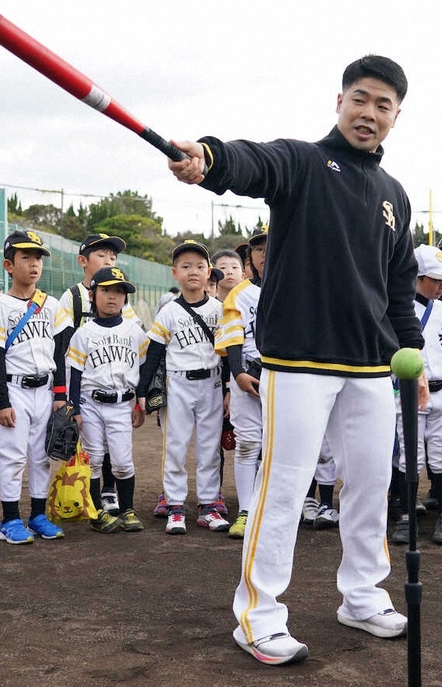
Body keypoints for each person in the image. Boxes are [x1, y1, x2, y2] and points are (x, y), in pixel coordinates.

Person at [167, 55, 423, 665]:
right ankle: (257, 616)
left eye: (383, 105)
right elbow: (252, 161)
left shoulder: (394, 195)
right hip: (300, 361)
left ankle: (362, 597)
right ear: (339, 101)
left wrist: (410, 354)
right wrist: (208, 156)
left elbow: (399, 285)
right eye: (361, 99)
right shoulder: (304, 163)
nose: (370, 113)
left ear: (395, 117)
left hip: (370, 366)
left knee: (369, 486)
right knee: (283, 488)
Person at [0, 230, 72, 544]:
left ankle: (37, 515)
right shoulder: (0, 308)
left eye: (37, 258)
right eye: (25, 258)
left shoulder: (52, 305)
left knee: (41, 456)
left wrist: (60, 395)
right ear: (9, 265)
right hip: (14, 391)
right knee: (13, 457)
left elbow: (60, 353)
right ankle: (9, 519)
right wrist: (3, 403)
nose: (34, 264)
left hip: (45, 391)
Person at [136, 241, 226, 535]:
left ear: (209, 272)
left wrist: (228, 389)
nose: (193, 272)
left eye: (200, 266)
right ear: (175, 273)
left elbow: (229, 352)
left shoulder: (220, 310)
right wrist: (142, 390)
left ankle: (209, 506)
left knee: (210, 448)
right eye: (186, 266)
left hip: (211, 382)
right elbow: (154, 355)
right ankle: (175, 506)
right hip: (178, 383)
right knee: (175, 446)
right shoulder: (169, 313)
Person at [390, 245, 442, 546]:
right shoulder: (399, 309)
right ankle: (406, 516)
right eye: (435, 279)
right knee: (411, 456)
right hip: (407, 392)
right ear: (416, 277)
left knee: (441, 455)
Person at [56, 233, 134, 516]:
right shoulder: (73, 296)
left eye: (113, 257)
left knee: (115, 442)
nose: (108, 260)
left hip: (112, 378)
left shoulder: (119, 297)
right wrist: (66, 392)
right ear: (83, 261)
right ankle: (89, 494)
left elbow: (132, 332)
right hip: (85, 379)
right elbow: (63, 339)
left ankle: (110, 490)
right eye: (101, 255)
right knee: (92, 444)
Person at [67, 266, 148, 534]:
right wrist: (74, 408)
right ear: (93, 295)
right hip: (91, 402)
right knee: (92, 459)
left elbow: (145, 370)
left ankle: (127, 509)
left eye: (119, 291)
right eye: (106, 290)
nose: (113, 296)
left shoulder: (135, 333)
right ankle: (96, 512)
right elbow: (75, 375)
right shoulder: (84, 333)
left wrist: (140, 403)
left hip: (123, 403)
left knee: (123, 461)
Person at [215, 228, 266, 539]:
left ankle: (269, 510)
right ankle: (246, 509)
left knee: (279, 448)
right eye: (258, 250)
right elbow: (233, 336)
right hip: (247, 373)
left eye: (270, 247)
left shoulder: (298, 286)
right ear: (250, 259)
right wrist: (238, 374)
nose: (264, 254)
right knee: (248, 444)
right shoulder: (240, 293)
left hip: (285, 377)